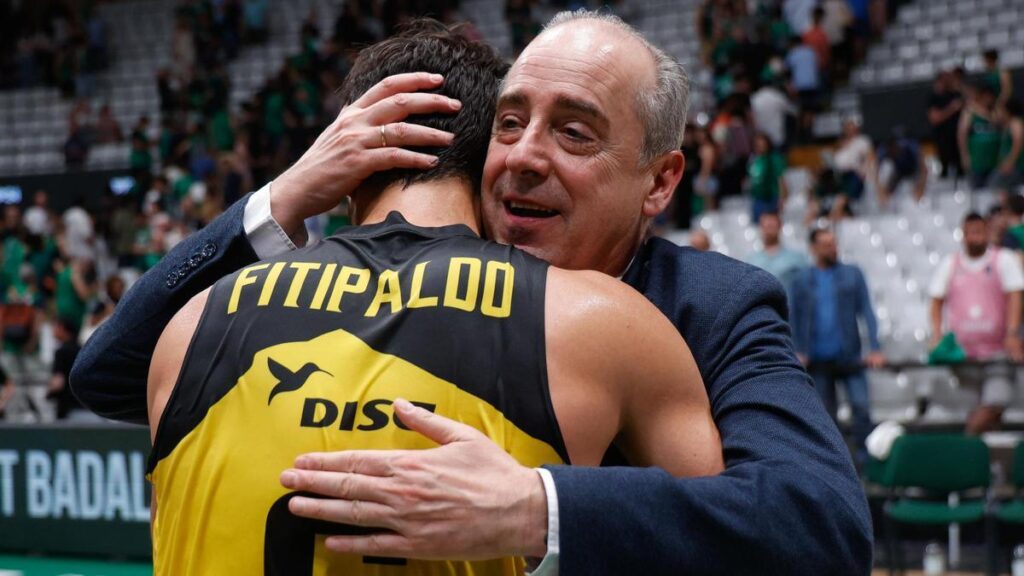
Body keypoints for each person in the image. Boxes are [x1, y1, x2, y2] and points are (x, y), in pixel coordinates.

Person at [73, 11, 872, 574]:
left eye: (574, 132)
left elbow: (820, 530)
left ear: (659, 181)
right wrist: (282, 199)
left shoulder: (716, 305)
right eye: (510, 122)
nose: (523, 158)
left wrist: (538, 509)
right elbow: (109, 374)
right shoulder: (418, 278)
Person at [789, 228, 884, 466]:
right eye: (825, 244)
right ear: (813, 248)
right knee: (826, 419)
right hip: (817, 360)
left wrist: (874, 347)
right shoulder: (801, 280)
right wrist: (796, 350)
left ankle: (867, 461)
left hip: (850, 357)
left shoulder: (852, 274)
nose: (832, 248)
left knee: (861, 409)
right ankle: (837, 465)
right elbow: (793, 318)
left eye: (833, 243)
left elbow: (867, 312)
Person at [929, 212, 1024, 434]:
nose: (975, 237)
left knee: (995, 403)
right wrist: (937, 333)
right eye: (970, 233)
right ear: (963, 235)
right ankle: (988, 462)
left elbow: (1015, 297)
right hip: (964, 356)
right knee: (979, 412)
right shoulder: (951, 264)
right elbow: (935, 300)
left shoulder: (1003, 260)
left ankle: (962, 446)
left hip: (998, 353)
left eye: (979, 232)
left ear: (987, 233)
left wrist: (1012, 333)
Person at [747, 211, 807, 290]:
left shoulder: (796, 258)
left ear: (780, 227)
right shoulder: (751, 260)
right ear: (760, 227)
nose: (769, 230)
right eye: (767, 226)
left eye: (772, 226)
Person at [959, 84, 1002, 190]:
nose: (989, 100)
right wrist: (965, 156)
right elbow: (962, 134)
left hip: (994, 161)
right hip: (976, 161)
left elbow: (999, 123)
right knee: (978, 191)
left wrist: (981, 111)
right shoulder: (969, 113)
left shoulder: (996, 111)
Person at [875, 127, 926, 206]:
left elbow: (922, 168)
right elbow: (877, 169)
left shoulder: (912, 147)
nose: (899, 148)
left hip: (911, 170)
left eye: (902, 145)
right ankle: (886, 204)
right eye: (897, 145)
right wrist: (881, 191)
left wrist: (920, 187)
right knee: (887, 167)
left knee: (917, 194)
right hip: (897, 172)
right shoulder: (885, 149)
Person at [928, 71, 965, 179]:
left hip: (956, 138)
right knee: (944, 169)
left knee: (960, 169)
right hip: (942, 138)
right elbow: (935, 118)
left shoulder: (955, 95)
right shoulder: (933, 98)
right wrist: (952, 109)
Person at [746, 132, 787, 222]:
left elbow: (780, 179)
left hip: (772, 197)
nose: (760, 147)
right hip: (757, 198)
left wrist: (782, 198)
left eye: (763, 145)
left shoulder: (774, 159)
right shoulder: (753, 160)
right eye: (758, 145)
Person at [993, 99, 1024, 194]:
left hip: (1015, 166)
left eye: (1000, 110)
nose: (998, 112)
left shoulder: (1016, 123)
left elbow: (1018, 143)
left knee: (995, 185)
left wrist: (1010, 162)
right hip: (1009, 165)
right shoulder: (1008, 124)